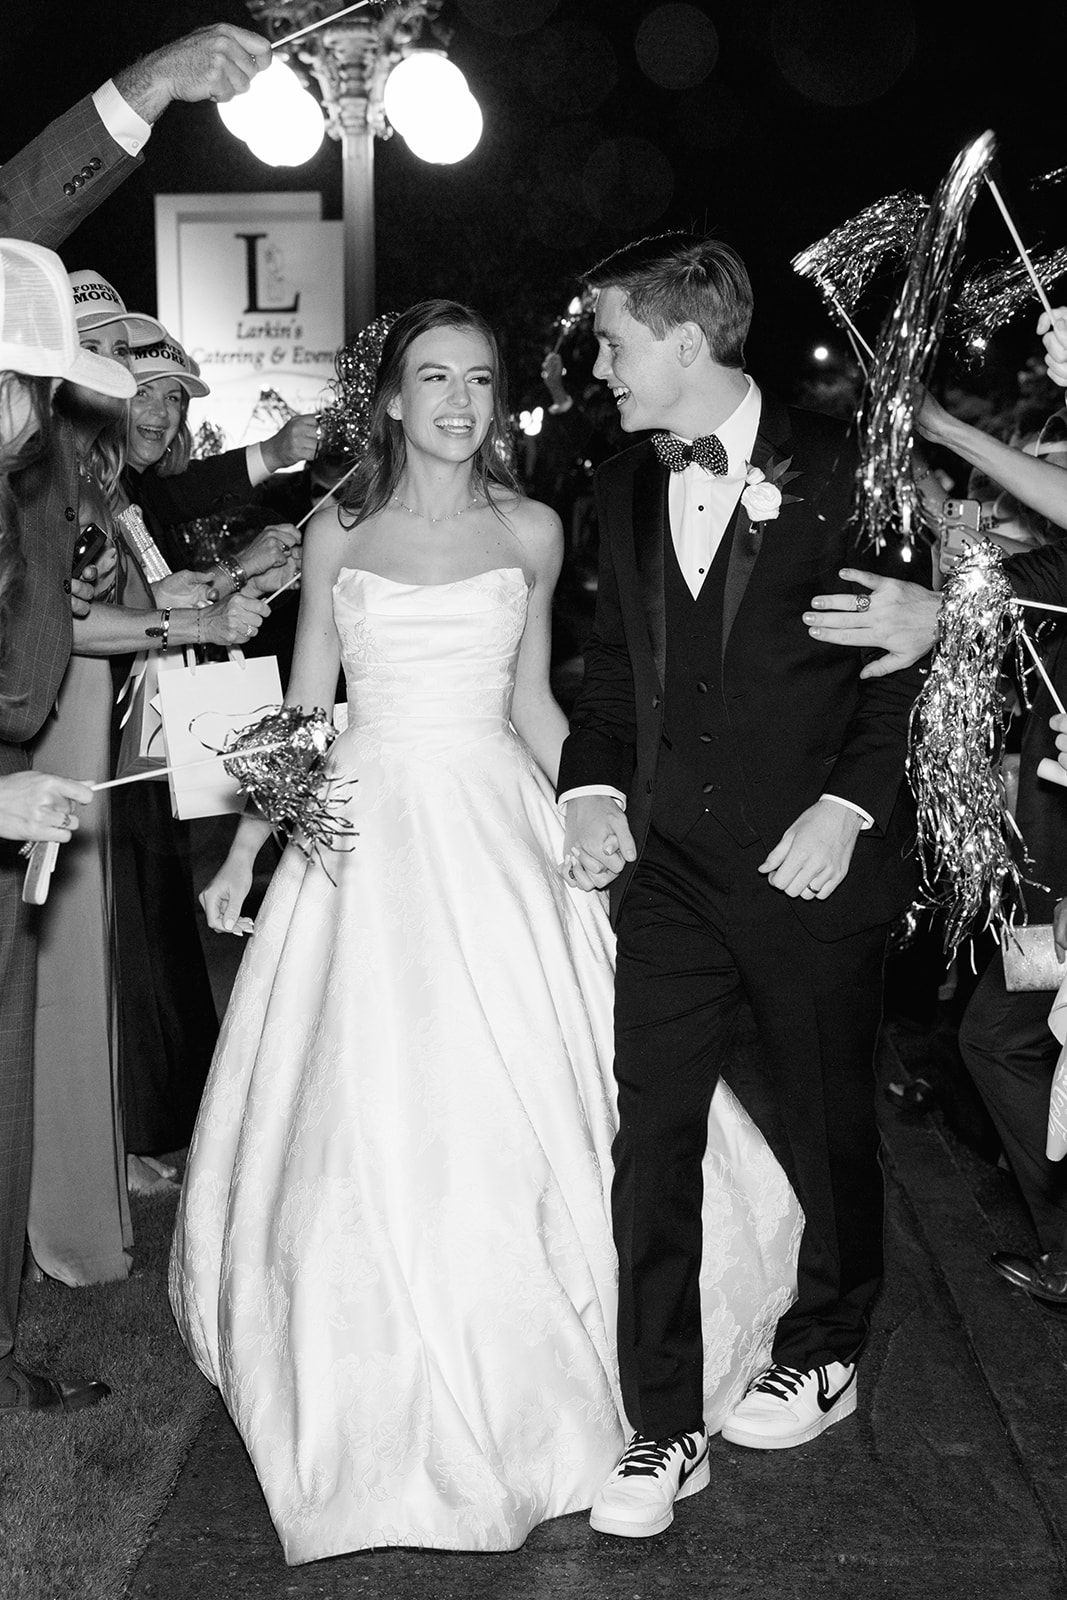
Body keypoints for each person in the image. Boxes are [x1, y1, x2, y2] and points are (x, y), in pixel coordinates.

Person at [169, 299, 802, 1563]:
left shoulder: (531, 526)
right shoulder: (335, 528)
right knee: (365, 1100)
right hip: (365, 827)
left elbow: (530, 701)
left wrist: (611, 810)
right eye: (432, 378)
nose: (458, 399)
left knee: (535, 1079)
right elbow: (305, 706)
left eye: (478, 378)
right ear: (391, 400)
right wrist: (250, 842)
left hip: (493, 817)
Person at [556, 232, 923, 1537]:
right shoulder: (612, 485)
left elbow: (903, 663)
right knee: (646, 1136)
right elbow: (605, 677)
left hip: (812, 866)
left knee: (826, 1117)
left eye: (609, 341)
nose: (597, 367)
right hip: (665, 879)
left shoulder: (843, 470)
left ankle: (823, 1339)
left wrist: (845, 807)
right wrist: (586, 788)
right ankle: (660, 1425)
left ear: (682, 341)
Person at [0, 25, 272, 1411]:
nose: (26, 410)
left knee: (38, 1029)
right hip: (44, 756)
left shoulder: (46, 477)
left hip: (58, 751)